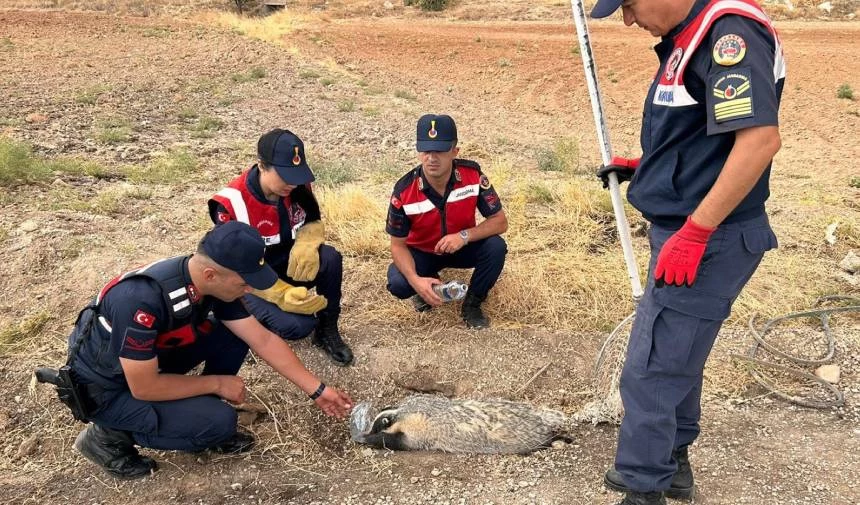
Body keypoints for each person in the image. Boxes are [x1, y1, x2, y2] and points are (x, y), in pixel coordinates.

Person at [589, 0, 785, 503]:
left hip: (708, 239)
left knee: (650, 367)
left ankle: (643, 485)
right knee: (678, 355)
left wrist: (696, 232)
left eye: (628, 6)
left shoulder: (728, 34)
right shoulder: (689, 34)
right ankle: (672, 462)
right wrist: (648, 168)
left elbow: (759, 140)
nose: (628, 20)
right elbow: (698, 135)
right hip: (692, 229)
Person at [64, 221, 353, 479]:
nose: (249, 290)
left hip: (150, 363)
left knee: (232, 334)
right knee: (219, 423)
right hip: (111, 389)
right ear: (211, 274)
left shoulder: (212, 285)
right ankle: (108, 435)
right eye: (244, 283)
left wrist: (318, 390)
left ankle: (196, 410)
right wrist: (217, 383)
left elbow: (261, 339)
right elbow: (144, 386)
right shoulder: (140, 300)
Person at [209, 128, 353, 366]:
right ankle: (244, 327)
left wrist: (308, 241)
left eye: (296, 174)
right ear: (262, 165)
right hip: (249, 281)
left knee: (330, 258)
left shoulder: (297, 186)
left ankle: (328, 330)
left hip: (284, 264)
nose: (292, 183)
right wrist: (280, 293)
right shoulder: (231, 204)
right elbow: (232, 268)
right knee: (298, 326)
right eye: (284, 174)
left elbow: (312, 218)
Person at [385, 114, 508, 329]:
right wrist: (416, 281)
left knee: (496, 246)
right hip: (422, 252)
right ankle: (428, 287)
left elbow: (500, 222)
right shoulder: (404, 191)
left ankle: (472, 304)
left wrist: (464, 236)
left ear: (454, 151)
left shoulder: (472, 176)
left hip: (461, 247)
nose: (432, 158)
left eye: (440, 150)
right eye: (426, 150)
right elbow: (397, 246)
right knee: (399, 283)